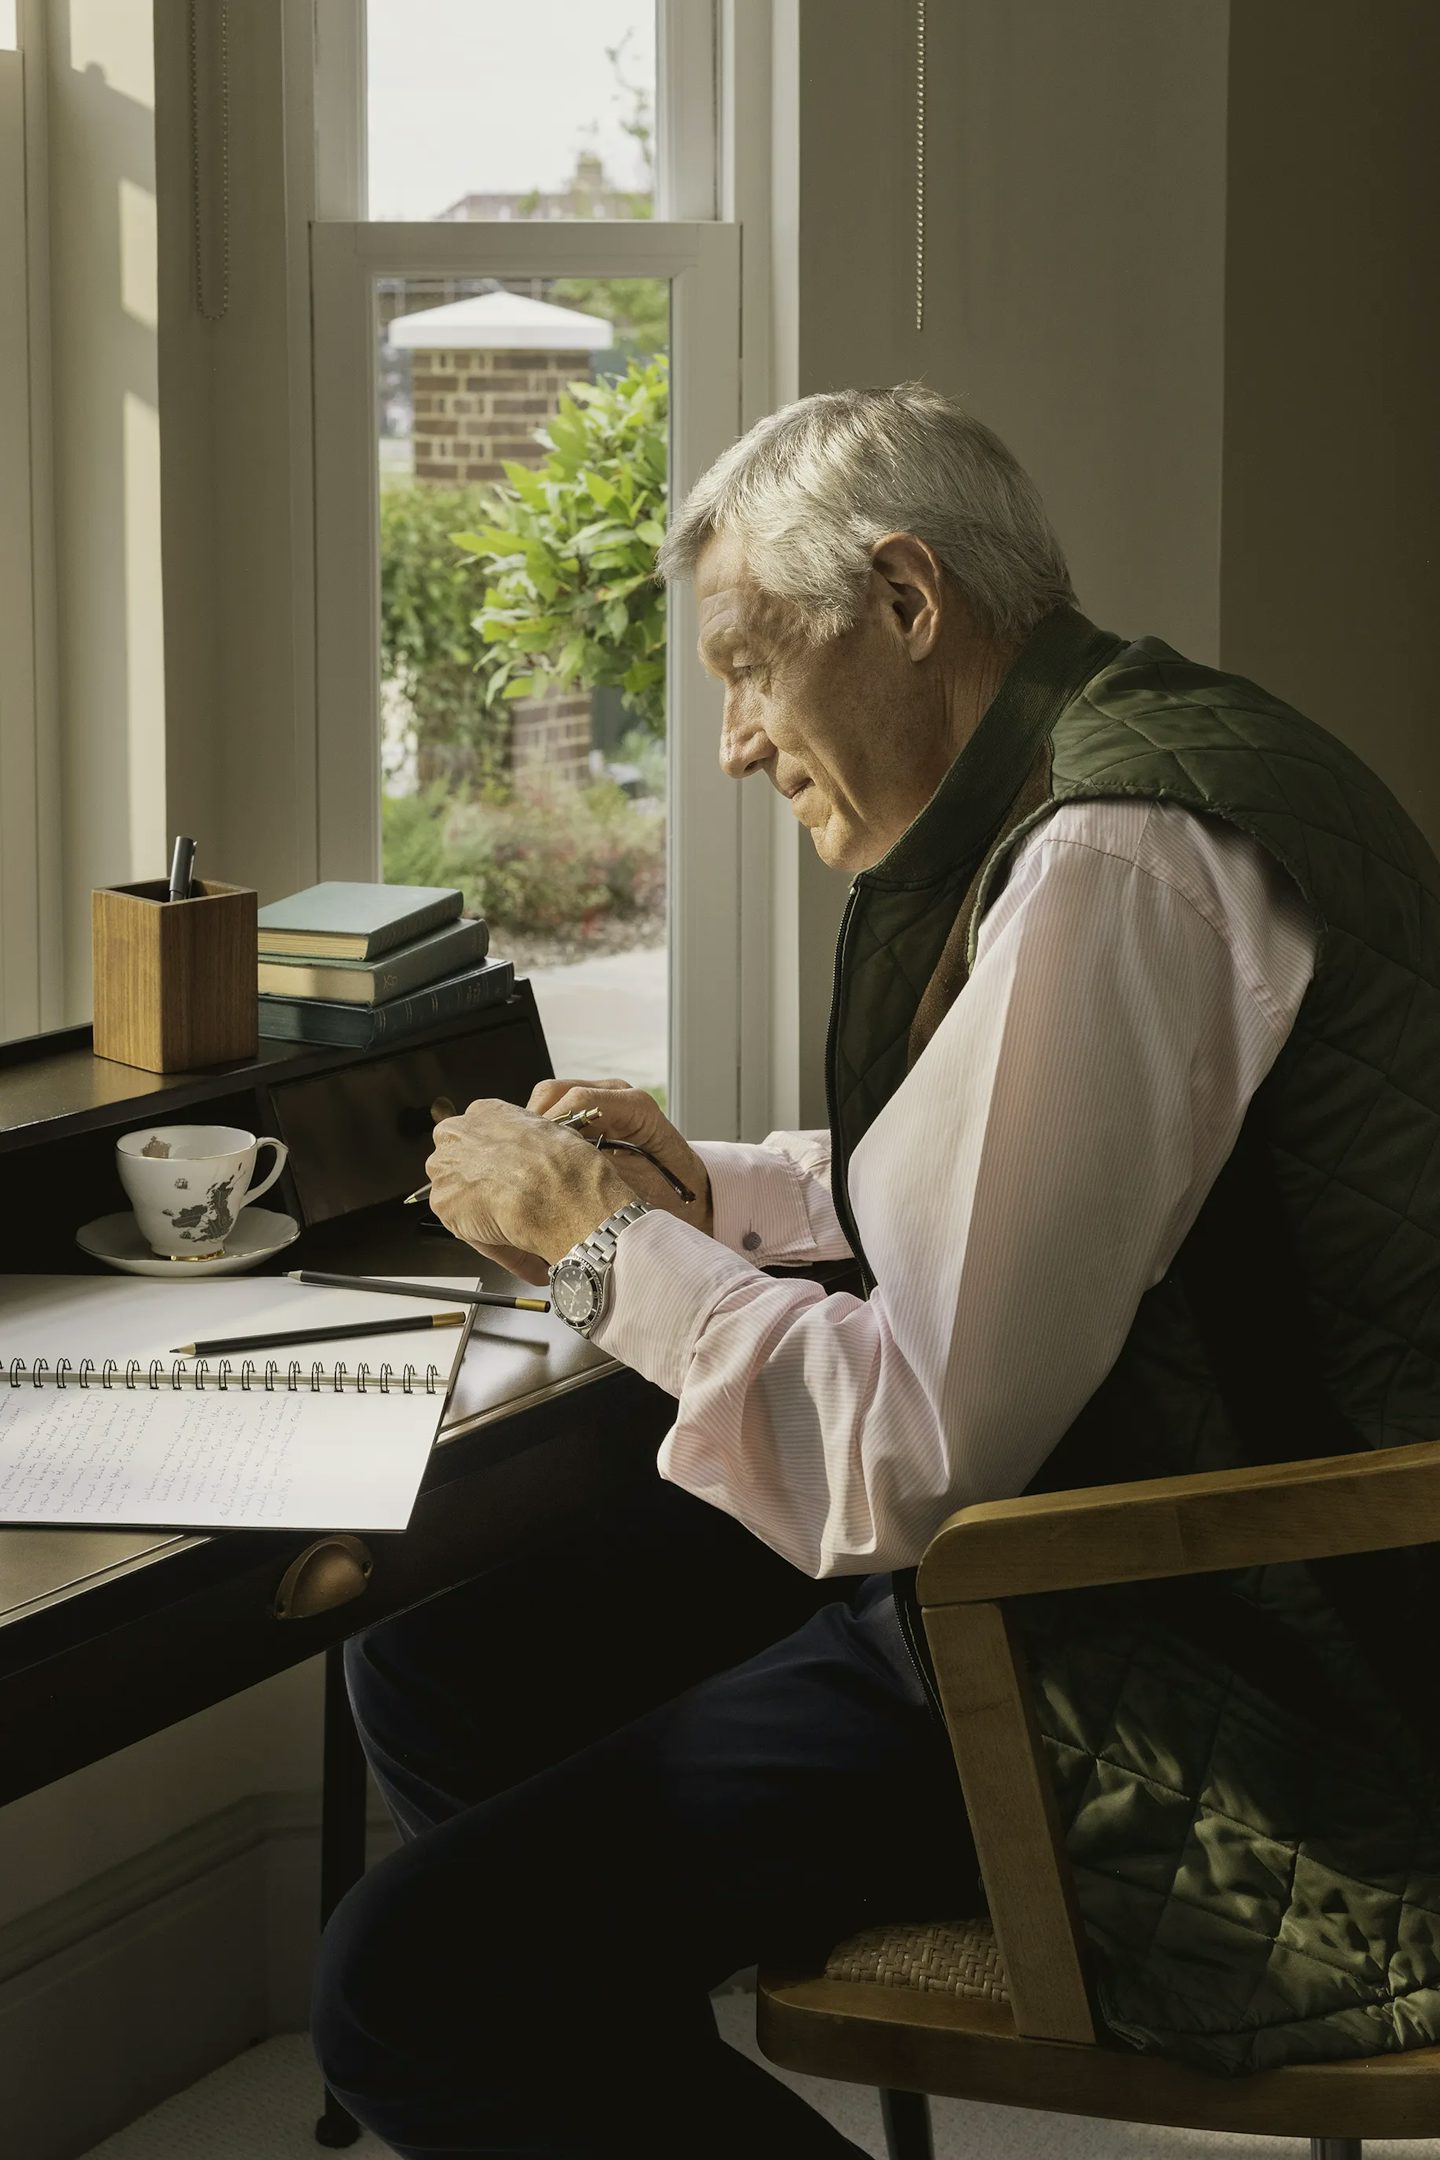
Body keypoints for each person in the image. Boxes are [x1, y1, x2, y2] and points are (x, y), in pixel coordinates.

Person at [311, 385, 1440, 2156]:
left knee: (411, 1982)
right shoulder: (1127, 768)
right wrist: (710, 1188)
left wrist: (599, 1245)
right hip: (1131, 1537)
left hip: (1195, 1648)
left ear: (909, 603)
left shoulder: (1113, 858)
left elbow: (910, 1462)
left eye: (753, 666)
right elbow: (1062, 1189)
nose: (738, 742)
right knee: (440, 1650)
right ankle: (608, 2011)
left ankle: (568, 2003)